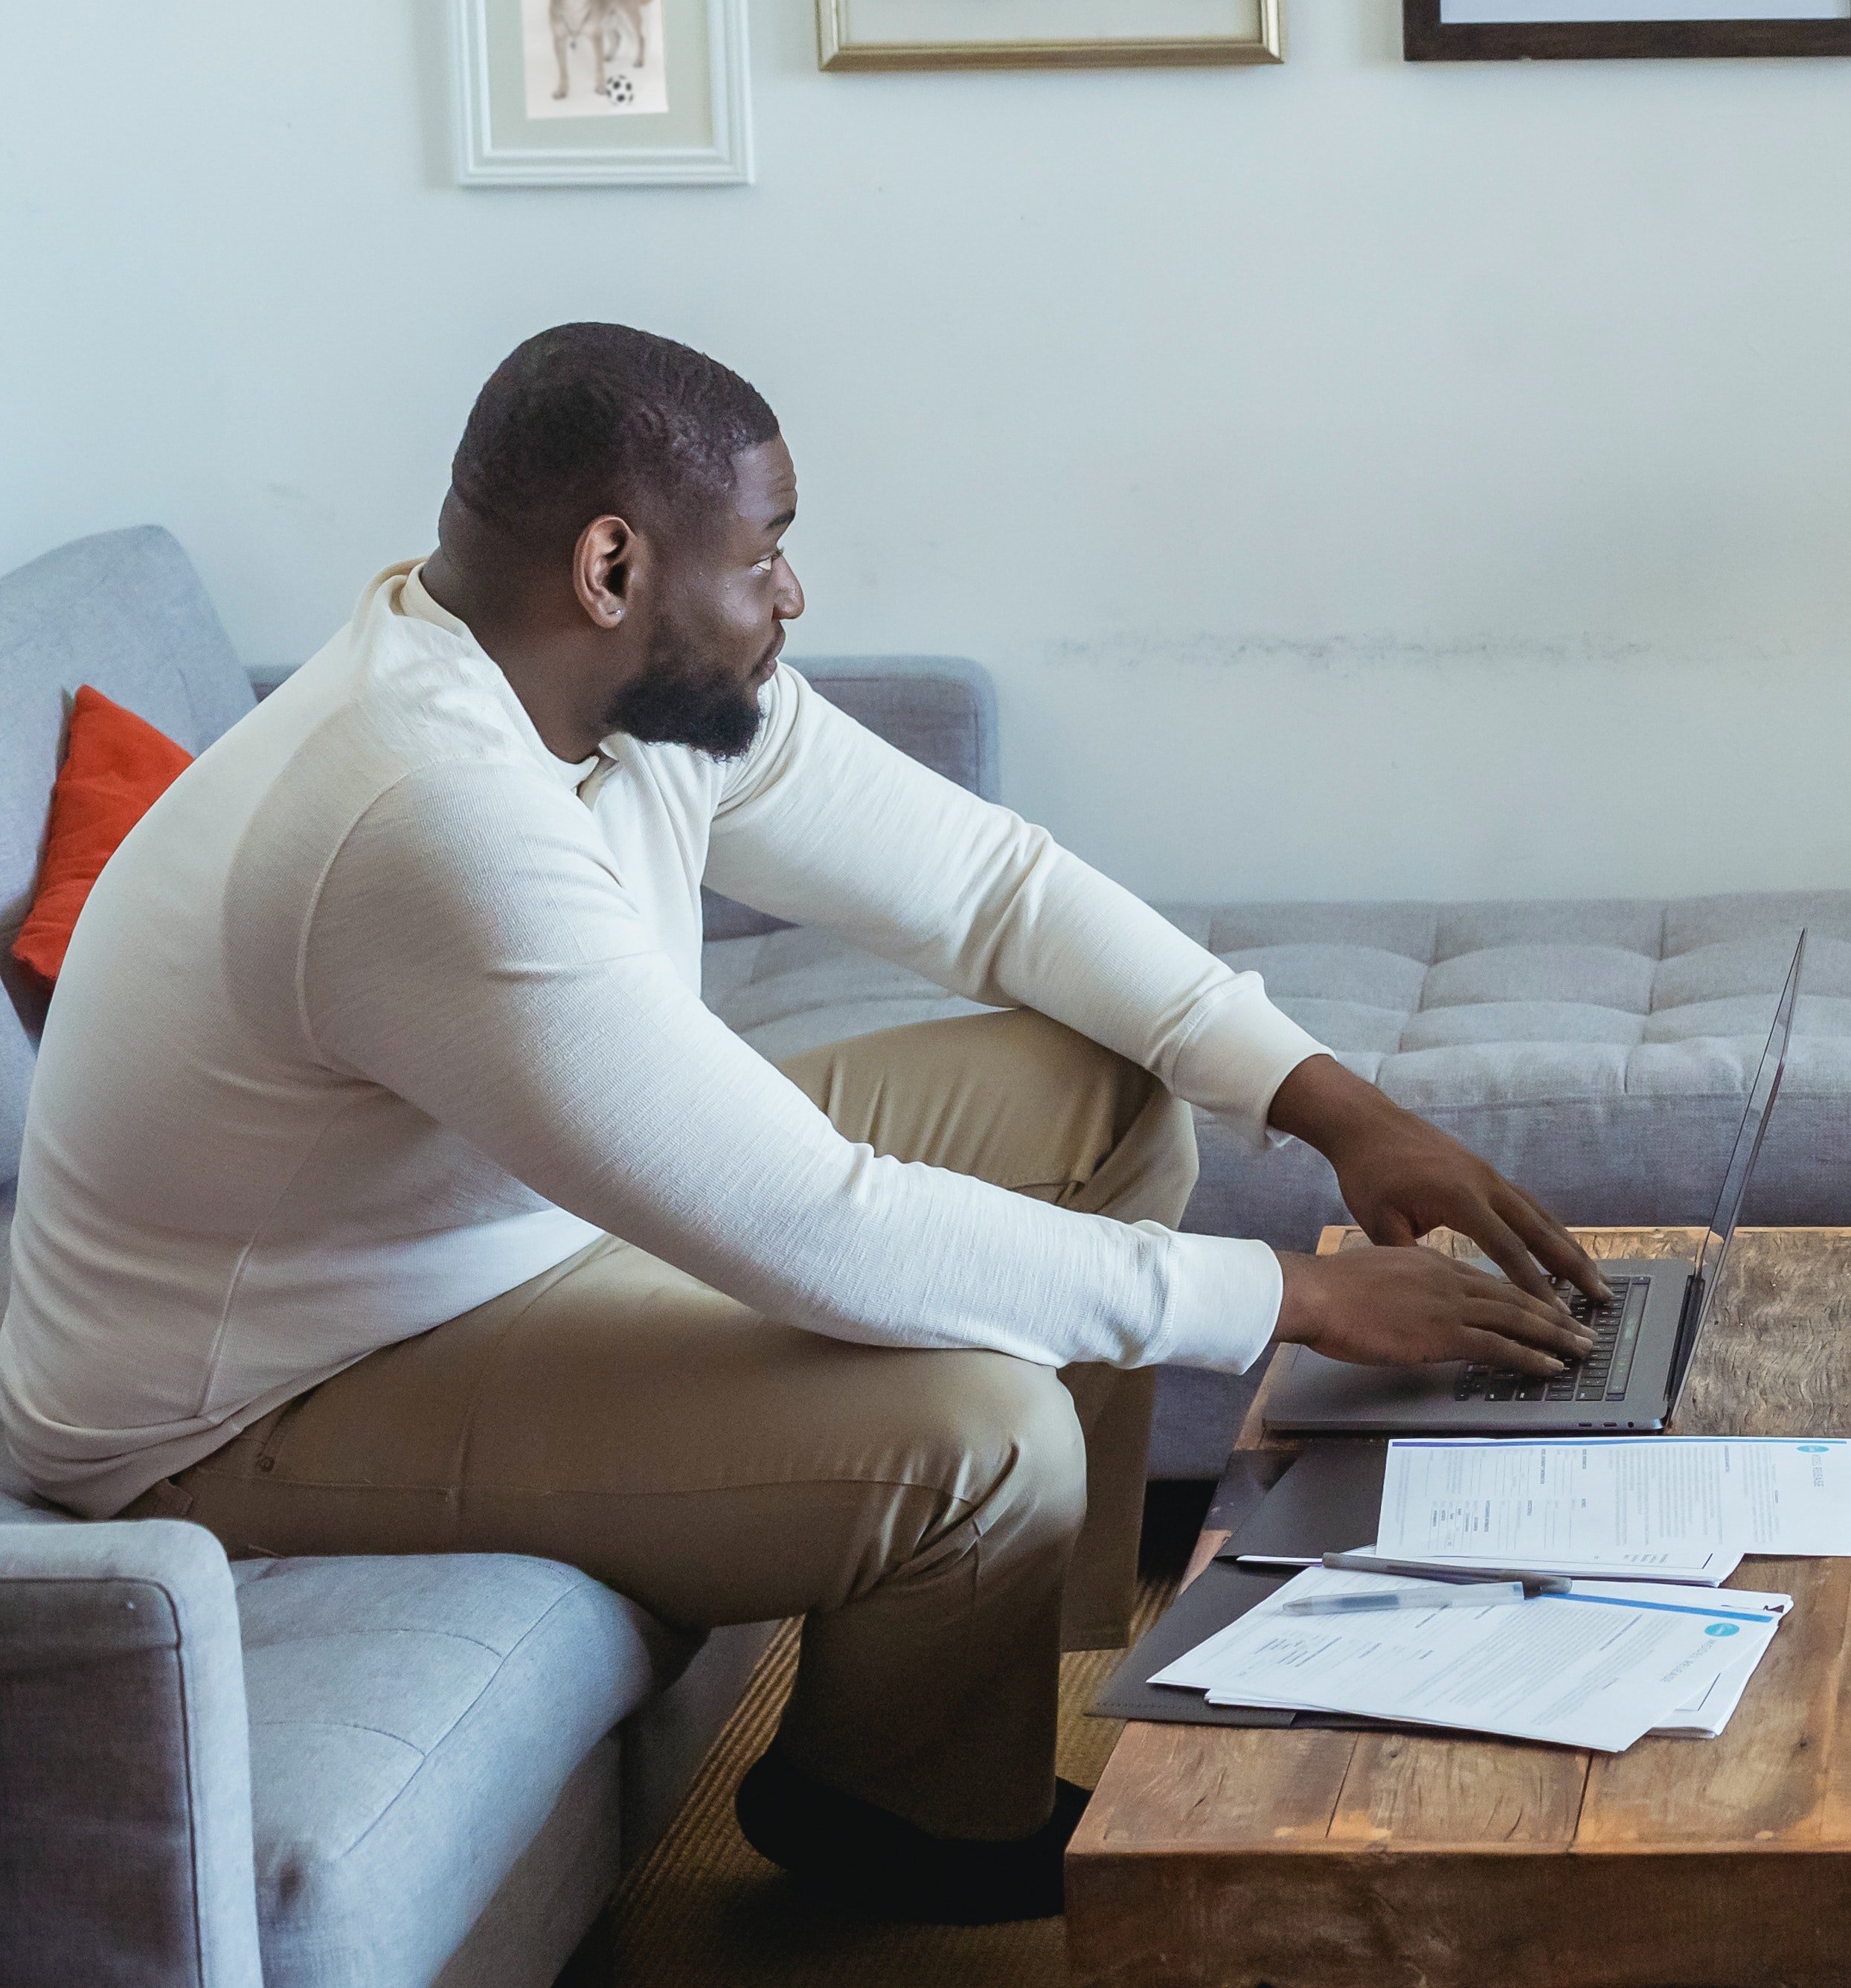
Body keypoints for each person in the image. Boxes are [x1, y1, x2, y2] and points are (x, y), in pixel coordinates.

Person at [0, 325, 1615, 1922]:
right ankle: (902, 1819)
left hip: (485, 1224)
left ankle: (988, 1702)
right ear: (613, 564)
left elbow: (992, 887)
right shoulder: (426, 812)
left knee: (1102, 1100)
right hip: (244, 1405)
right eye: (767, 551)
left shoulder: (613, 695)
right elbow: (818, 1225)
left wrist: (1340, 1104)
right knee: (986, 1436)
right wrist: (1293, 1295)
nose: (793, 595)